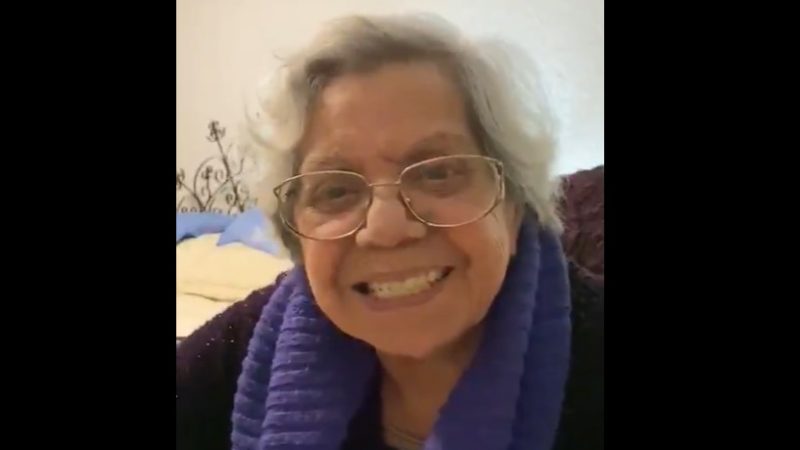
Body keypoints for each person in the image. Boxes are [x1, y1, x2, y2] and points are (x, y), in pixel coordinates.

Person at [177, 13, 603, 450]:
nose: (386, 229)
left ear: (513, 207)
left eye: (437, 173)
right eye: (336, 190)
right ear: (298, 238)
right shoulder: (246, 345)